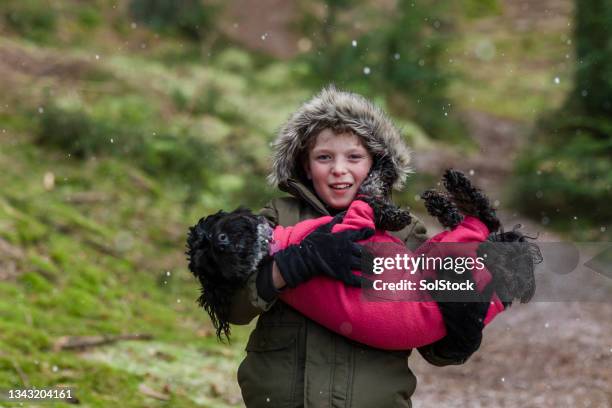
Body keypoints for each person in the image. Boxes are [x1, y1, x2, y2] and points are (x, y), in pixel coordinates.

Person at [229, 86, 486, 407]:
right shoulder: (278, 217)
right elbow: (234, 307)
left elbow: (429, 337)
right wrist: (292, 264)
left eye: (354, 157)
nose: (339, 169)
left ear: (375, 165)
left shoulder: (402, 233)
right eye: (324, 157)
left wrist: (460, 329)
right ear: (306, 166)